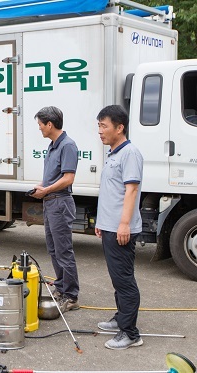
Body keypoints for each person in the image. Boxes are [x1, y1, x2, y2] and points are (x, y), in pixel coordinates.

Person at [95, 105, 144, 350]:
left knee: (124, 280)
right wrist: (102, 223)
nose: (100, 131)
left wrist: (124, 224)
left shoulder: (130, 153)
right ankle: (120, 319)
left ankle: (130, 333)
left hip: (121, 228)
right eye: (99, 126)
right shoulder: (114, 153)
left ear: (119, 127)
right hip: (111, 227)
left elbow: (131, 190)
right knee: (118, 278)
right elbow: (111, 193)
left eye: (104, 126)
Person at [31, 106, 80, 313]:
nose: (40, 128)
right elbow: (53, 176)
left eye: (40, 124)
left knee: (63, 251)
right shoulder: (53, 145)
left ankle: (71, 296)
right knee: (53, 249)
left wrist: (47, 190)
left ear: (49, 124)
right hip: (50, 202)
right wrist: (41, 188)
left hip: (60, 202)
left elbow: (68, 178)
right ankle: (61, 287)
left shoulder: (68, 145)